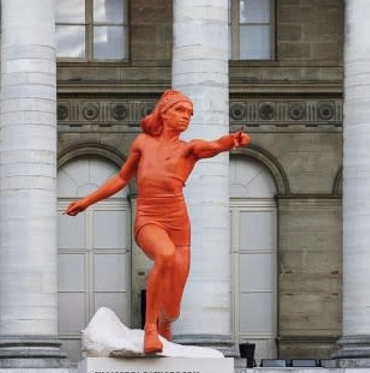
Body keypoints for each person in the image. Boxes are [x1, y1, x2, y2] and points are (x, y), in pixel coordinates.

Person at [64, 90, 249, 354]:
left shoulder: (189, 149)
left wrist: (232, 140)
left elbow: (213, 145)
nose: (186, 117)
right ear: (164, 112)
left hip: (179, 225)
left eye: (190, 114)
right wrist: (87, 201)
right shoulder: (142, 143)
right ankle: (150, 328)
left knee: (172, 309)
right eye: (181, 111)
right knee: (165, 255)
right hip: (149, 217)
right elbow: (120, 178)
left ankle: (163, 326)